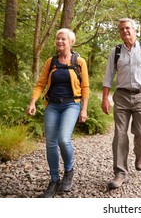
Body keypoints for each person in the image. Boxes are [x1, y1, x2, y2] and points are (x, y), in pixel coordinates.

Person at [26, 28, 89, 198]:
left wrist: (84, 109)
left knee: (63, 139)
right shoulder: (51, 61)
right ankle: (54, 179)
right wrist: (33, 102)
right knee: (51, 143)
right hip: (52, 105)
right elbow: (40, 84)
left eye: (63, 39)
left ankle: (69, 170)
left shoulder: (79, 61)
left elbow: (85, 87)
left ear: (71, 42)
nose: (60, 42)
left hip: (71, 105)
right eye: (57, 39)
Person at [101, 18, 141, 189]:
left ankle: (139, 155)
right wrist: (105, 98)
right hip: (121, 97)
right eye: (121, 29)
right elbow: (108, 77)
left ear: (135, 30)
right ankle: (120, 173)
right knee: (120, 134)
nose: (125, 31)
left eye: (128, 28)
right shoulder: (116, 51)